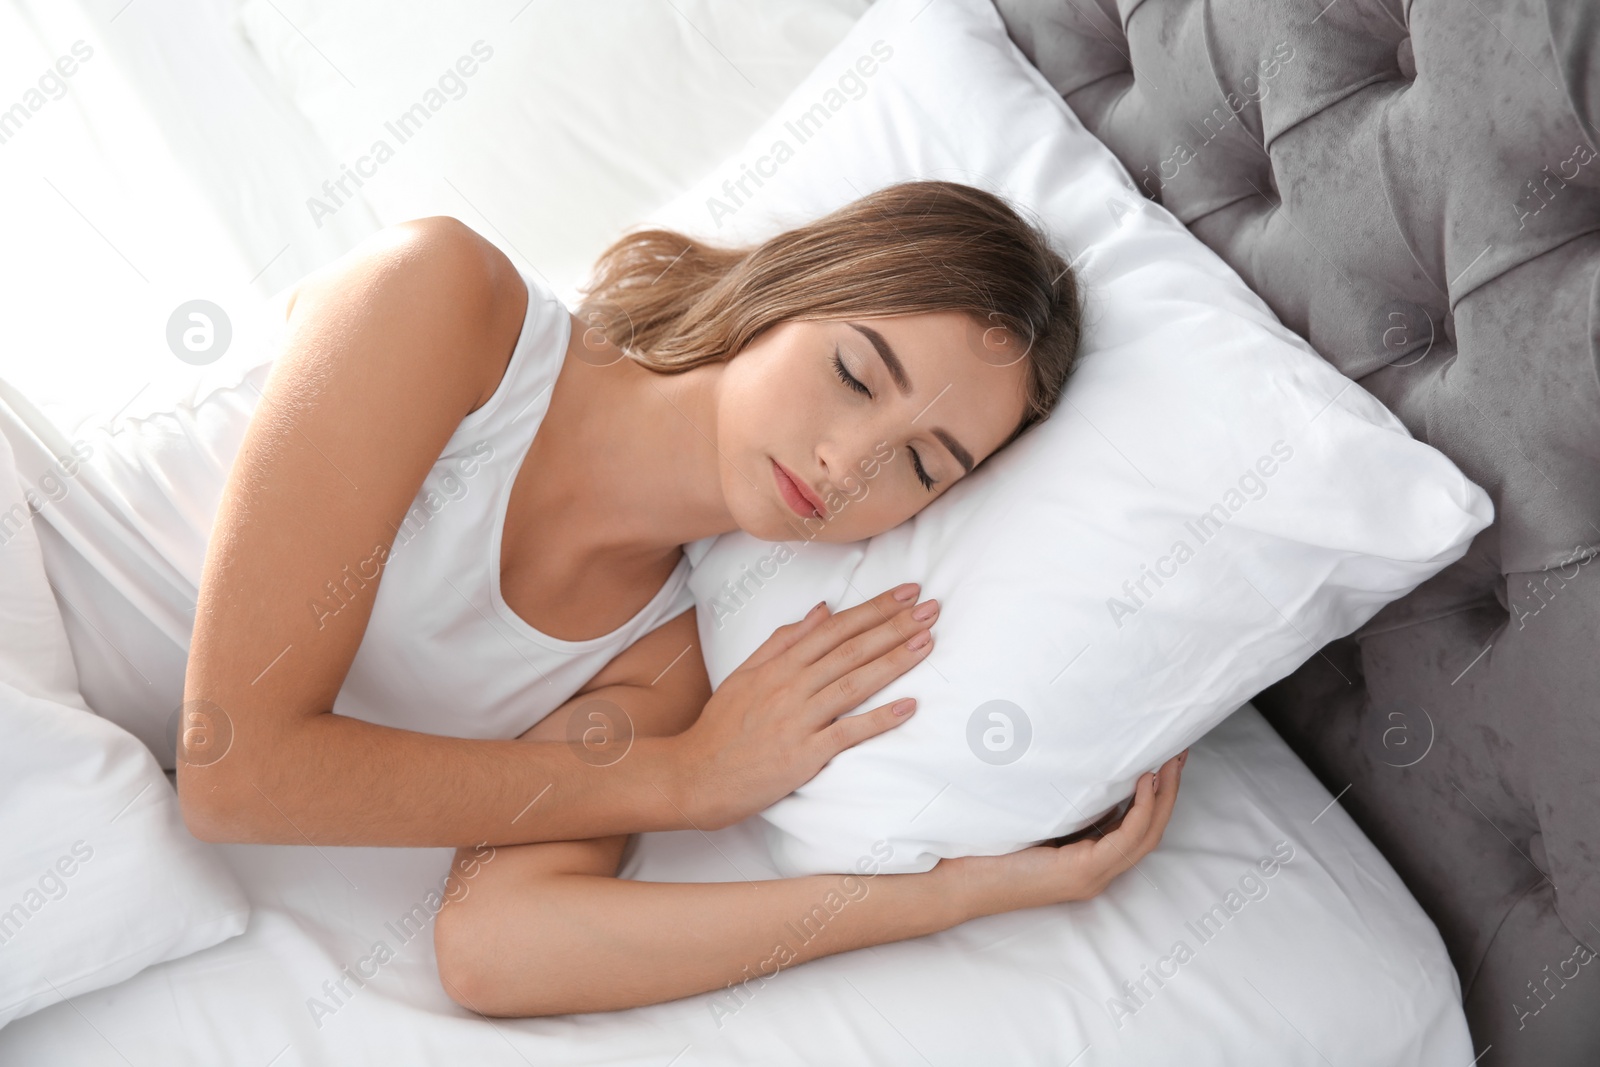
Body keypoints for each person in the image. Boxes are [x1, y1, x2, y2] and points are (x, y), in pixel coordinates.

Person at [1, 178, 1186, 1018]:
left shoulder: (663, 655)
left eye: (925, 466)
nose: (852, 466)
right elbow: (233, 768)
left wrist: (950, 893)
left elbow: (498, 948)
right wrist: (683, 780)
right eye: (852, 374)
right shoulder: (448, 302)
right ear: (782, 291)